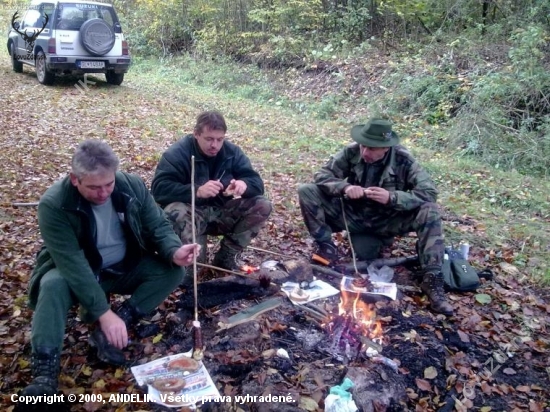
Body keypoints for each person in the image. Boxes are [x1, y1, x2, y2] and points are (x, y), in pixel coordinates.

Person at [21, 140, 200, 399]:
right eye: (94, 187)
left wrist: (174, 250)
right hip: (80, 270)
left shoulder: (131, 185)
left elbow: (157, 225)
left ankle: (117, 326)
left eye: (109, 184)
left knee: (172, 271)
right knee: (52, 285)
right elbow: (72, 264)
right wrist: (103, 312)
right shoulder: (54, 204)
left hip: (124, 265)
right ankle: (44, 372)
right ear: (75, 179)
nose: (104, 193)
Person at [297, 118, 453, 315]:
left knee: (429, 210)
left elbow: (429, 192)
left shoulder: (403, 160)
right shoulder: (351, 152)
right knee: (306, 191)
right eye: (363, 146)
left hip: (388, 220)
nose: (365, 152)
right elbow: (322, 176)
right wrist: (345, 187)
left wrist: (393, 198)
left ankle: (432, 277)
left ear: (385, 148)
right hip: (353, 216)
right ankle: (326, 247)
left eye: (371, 149)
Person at [151, 110, 272, 271]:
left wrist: (244, 184)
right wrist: (196, 191)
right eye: (209, 139)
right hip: (191, 215)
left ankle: (227, 255)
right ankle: (187, 260)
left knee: (262, 204)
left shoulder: (231, 153)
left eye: (219, 139)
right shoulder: (178, 153)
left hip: (221, 212)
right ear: (196, 134)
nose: (214, 145)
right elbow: (159, 188)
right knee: (194, 268)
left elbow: (257, 183)